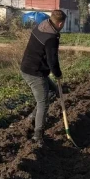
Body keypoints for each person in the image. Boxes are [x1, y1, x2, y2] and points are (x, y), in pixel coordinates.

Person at [19, 10, 67, 147]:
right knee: (43, 102)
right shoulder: (51, 38)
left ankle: (32, 117)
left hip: (31, 67)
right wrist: (58, 74)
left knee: (52, 92)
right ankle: (37, 135)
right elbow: (53, 60)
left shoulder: (42, 25)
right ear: (60, 23)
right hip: (34, 72)